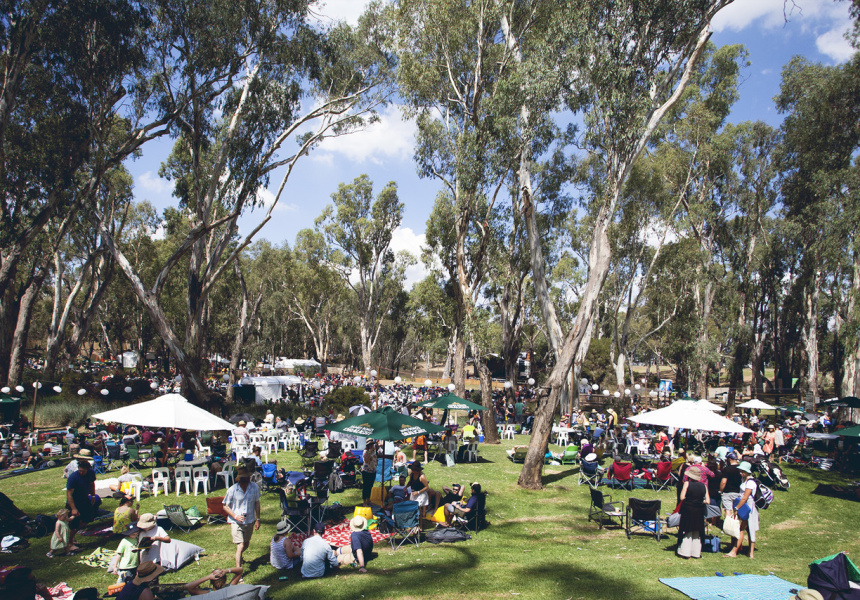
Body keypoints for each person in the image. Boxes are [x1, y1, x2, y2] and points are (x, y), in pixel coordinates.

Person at [222, 466, 261, 568]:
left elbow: (257, 503)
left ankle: (239, 557)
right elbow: (225, 506)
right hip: (236, 522)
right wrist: (235, 516)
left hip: (249, 520)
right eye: (244, 477)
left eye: (247, 477)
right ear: (240, 479)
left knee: (246, 544)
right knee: (241, 546)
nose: (247, 479)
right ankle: (239, 572)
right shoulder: (232, 490)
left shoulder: (254, 487)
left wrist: (258, 519)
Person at [724, 461, 759, 559]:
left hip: (748, 507)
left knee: (746, 529)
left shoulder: (750, 482)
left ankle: (739, 552)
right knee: (743, 529)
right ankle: (746, 552)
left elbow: (745, 498)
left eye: (742, 471)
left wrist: (736, 508)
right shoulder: (745, 480)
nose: (740, 473)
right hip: (744, 506)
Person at [66, 450, 100, 547]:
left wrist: (93, 495)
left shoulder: (90, 473)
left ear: (87, 469)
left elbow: (91, 484)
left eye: (83, 471)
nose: (81, 472)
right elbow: (69, 494)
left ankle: (72, 536)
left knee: (88, 518)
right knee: (74, 524)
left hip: (84, 499)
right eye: (80, 470)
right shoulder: (73, 477)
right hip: (74, 501)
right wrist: (73, 508)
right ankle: (70, 541)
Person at [676, 466, 709, 559]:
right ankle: (696, 553)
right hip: (699, 510)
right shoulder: (704, 486)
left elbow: (682, 497)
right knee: (697, 532)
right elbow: (708, 500)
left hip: (688, 509)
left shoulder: (687, 484)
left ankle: (685, 552)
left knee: (687, 531)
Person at [361, 438, 378, 506]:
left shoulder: (374, 451)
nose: (371, 446)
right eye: (370, 445)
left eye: (372, 444)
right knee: (366, 486)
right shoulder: (366, 451)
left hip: (373, 470)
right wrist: (370, 452)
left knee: (370, 486)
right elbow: (366, 460)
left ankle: (369, 500)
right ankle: (364, 501)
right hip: (366, 471)